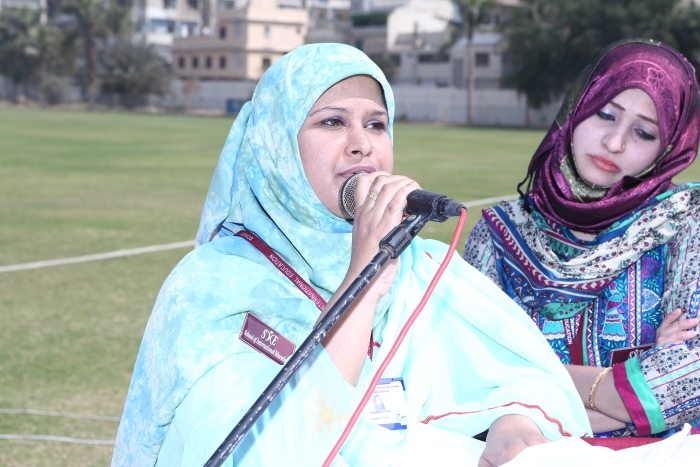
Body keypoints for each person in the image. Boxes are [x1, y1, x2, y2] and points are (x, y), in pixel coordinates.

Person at [111, 43, 589, 467]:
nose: (362, 145)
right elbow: (269, 454)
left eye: (376, 125)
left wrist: (513, 424)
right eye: (333, 122)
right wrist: (364, 277)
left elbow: (526, 376)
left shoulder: (419, 267)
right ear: (276, 144)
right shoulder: (212, 287)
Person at [464, 38, 700, 438]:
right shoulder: (498, 233)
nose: (614, 142)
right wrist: (630, 385)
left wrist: (529, 385)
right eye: (606, 114)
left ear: (668, 149)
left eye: (644, 133)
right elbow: (466, 372)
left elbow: (689, 379)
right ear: (578, 106)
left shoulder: (684, 220)